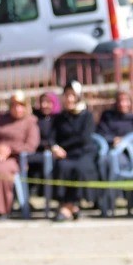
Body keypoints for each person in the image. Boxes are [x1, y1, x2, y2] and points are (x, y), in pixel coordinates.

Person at [49, 80, 99, 221]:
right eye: (66, 95)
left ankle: (68, 207)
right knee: (62, 167)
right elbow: (51, 137)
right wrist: (55, 147)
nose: (69, 99)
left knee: (80, 168)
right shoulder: (59, 118)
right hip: (65, 155)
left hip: (84, 152)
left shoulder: (86, 116)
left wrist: (64, 147)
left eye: (72, 95)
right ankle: (71, 206)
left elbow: (83, 138)